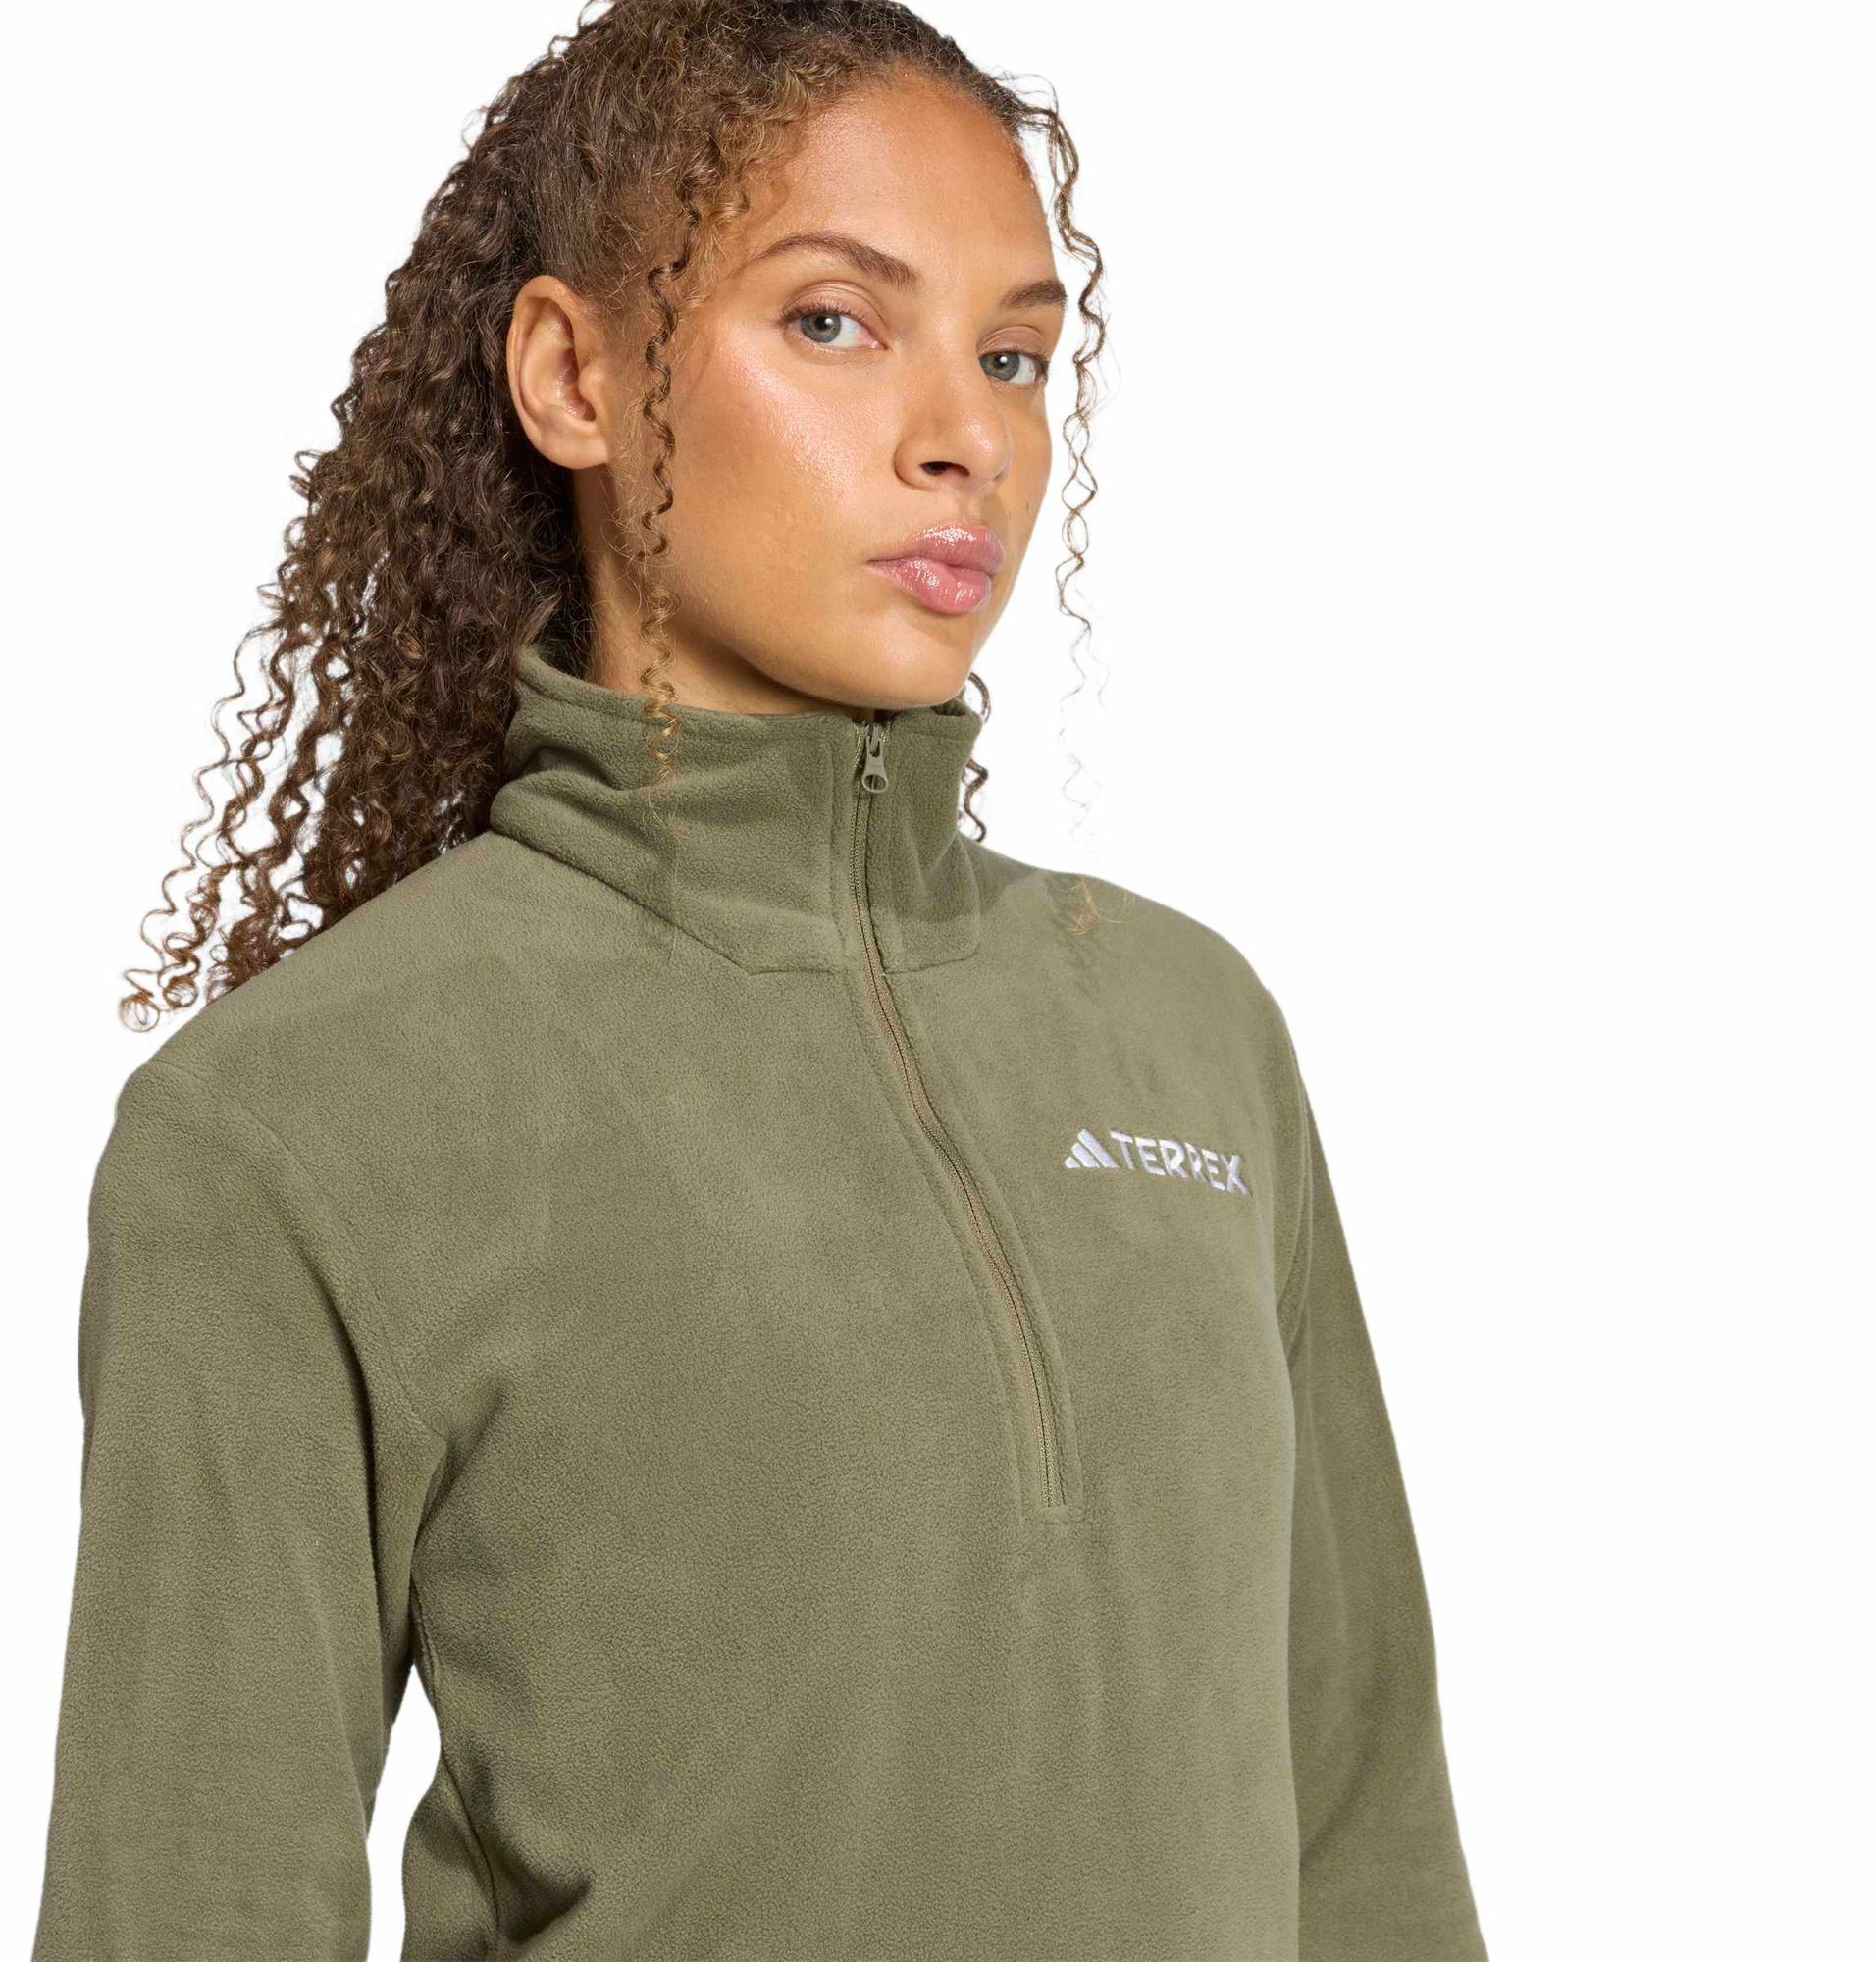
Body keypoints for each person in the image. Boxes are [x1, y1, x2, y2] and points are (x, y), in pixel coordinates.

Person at [29, 2, 1487, 1956]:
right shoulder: (299, 1119)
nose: (964, 436)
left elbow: (1367, 1841)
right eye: (831, 321)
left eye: (1013, 355)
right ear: (574, 374)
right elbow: (184, 1915)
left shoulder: (1185, 1029)